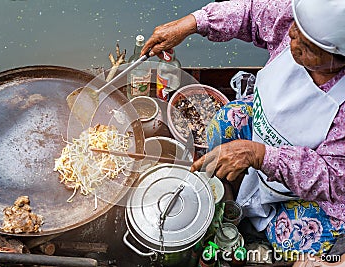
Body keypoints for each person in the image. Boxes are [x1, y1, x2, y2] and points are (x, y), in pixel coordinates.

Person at [142, 0, 345, 258]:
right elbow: (249, 12)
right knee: (223, 123)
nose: (292, 41)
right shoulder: (295, 19)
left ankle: (255, 220)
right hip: (263, 123)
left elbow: (333, 178)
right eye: (295, 32)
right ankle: (226, 192)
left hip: (306, 184)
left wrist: (259, 155)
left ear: (337, 59)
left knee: (295, 245)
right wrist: (189, 24)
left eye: (306, 48)